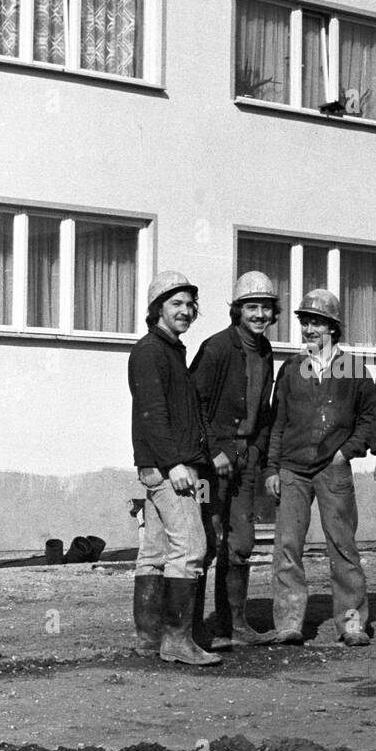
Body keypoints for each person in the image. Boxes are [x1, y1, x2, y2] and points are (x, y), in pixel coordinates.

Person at [264, 289, 376, 647]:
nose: (309, 329)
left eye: (317, 322)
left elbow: (370, 418)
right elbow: (277, 421)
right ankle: (289, 622)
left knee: (342, 545)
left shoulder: (354, 369)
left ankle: (352, 623)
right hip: (293, 470)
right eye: (305, 322)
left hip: (334, 469)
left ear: (333, 327)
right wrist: (271, 468)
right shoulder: (290, 369)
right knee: (287, 546)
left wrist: (347, 452)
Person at [128, 271, 221, 666]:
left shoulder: (171, 350)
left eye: (189, 305)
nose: (185, 311)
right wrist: (171, 463)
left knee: (154, 551)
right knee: (191, 546)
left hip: (166, 464)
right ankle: (178, 642)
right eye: (175, 304)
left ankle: (149, 637)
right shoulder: (152, 351)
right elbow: (151, 414)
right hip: (172, 468)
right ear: (157, 310)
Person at [189, 271, 277, 646]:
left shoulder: (266, 352)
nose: (259, 315)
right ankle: (192, 628)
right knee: (206, 542)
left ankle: (234, 625)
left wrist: (255, 452)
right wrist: (213, 451)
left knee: (240, 543)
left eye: (266, 308)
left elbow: (263, 411)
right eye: (251, 307)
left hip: (245, 463)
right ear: (237, 311)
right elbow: (194, 405)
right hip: (211, 467)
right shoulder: (217, 348)